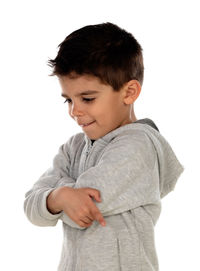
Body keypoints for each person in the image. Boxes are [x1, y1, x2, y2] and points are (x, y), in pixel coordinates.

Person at [23, 22, 184, 271]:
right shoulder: (73, 147)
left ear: (129, 92)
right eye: (68, 99)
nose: (75, 111)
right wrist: (59, 196)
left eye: (87, 98)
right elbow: (31, 205)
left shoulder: (138, 145)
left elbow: (86, 209)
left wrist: (56, 195)